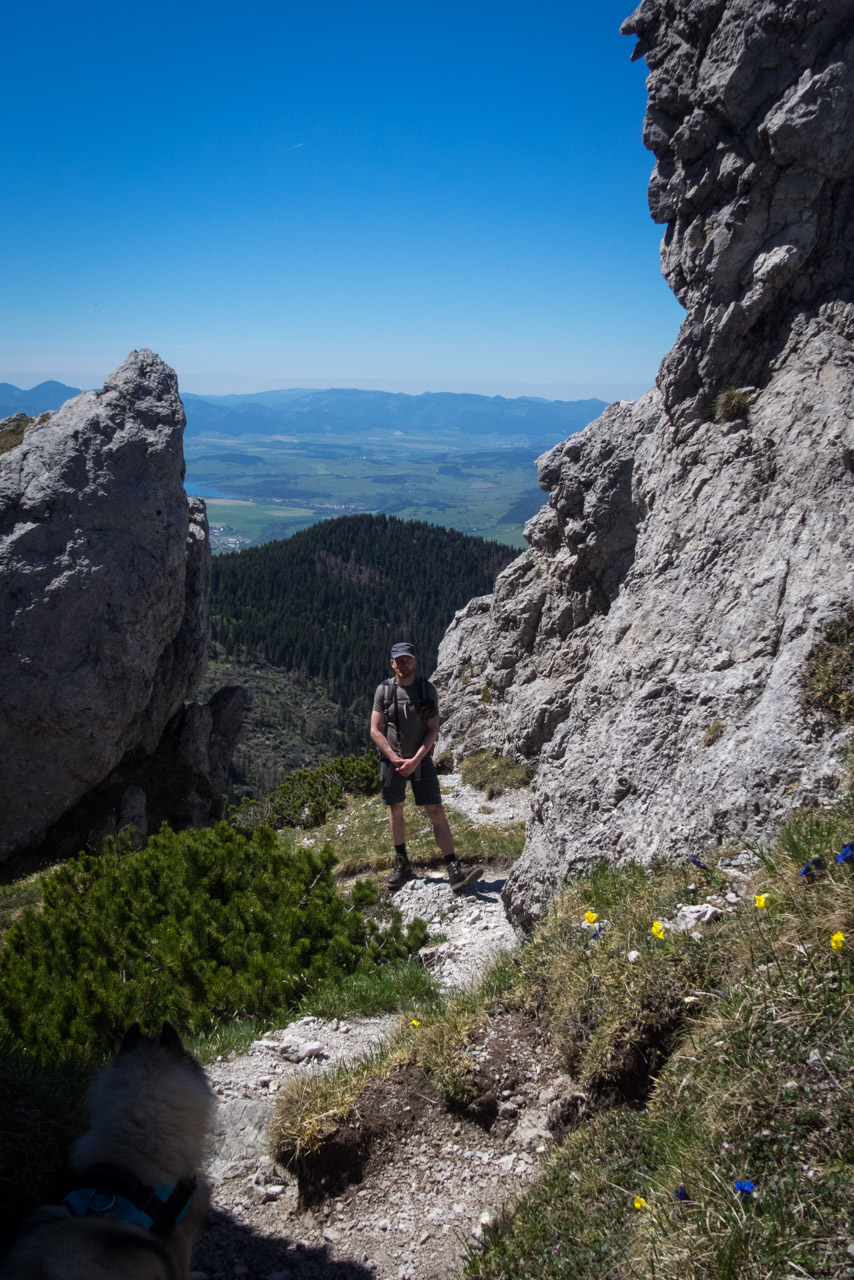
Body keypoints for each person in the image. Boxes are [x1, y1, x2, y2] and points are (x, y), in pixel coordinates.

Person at [370, 641, 483, 893]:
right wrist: (394, 758)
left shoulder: (426, 689)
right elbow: (375, 730)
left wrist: (416, 759)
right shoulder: (384, 691)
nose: (403, 664)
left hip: (420, 760)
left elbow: (433, 729)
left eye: (407, 659)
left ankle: (453, 868)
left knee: (435, 809)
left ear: (415, 662)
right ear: (392, 662)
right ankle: (402, 864)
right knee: (395, 809)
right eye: (399, 660)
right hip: (393, 761)